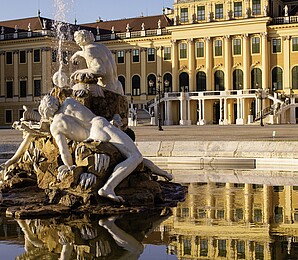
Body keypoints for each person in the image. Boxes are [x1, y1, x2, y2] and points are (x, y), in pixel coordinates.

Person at [38, 95, 172, 203]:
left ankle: (163, 173)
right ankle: (108, 188)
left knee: (130, 156)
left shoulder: (54, 126)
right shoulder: (69, 102)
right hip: (99, 126)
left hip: (91, 138)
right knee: (135, 156)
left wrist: (71, 167)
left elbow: (64, 152)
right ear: (54, 101)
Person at [70, 30, 124, 96]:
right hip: (118, 87)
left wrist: (79, 71)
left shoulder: (89, 51)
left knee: (77, 89)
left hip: (106, 88)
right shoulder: (101, 47)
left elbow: (100, 70)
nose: (75, 40)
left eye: (76, 38)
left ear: (80, 40)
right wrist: (78, 54)